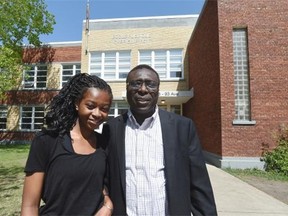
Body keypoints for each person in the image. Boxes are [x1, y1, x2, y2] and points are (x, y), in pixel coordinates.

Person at [104, 64, 217, 215]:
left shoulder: (182, 127)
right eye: (136, 83)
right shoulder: (111, 128)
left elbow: (199, 184)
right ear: (127, 88)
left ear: (158, 90)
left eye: (150, 84)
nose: (143, 89)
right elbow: (103, 179)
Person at [21, 73, 114, 216]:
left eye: (104, 109)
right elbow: (30, 206)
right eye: (90, 106)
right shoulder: (47, 141)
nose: (97, 113)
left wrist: (107, 205)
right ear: (77, 103)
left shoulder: (104, 143)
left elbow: (99, 182)